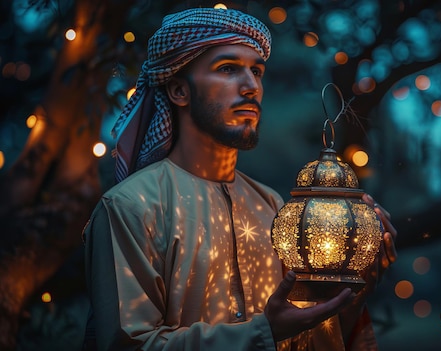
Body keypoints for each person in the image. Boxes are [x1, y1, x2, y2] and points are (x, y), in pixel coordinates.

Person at [82, 7, 397, 351]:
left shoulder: (274, 208)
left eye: (257, 71)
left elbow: (310, 341)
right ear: (178, 91)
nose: (251, 87)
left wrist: (354, 285)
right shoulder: (130, 208)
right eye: (228, 69)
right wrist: (262, 332)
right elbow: (128, 345)